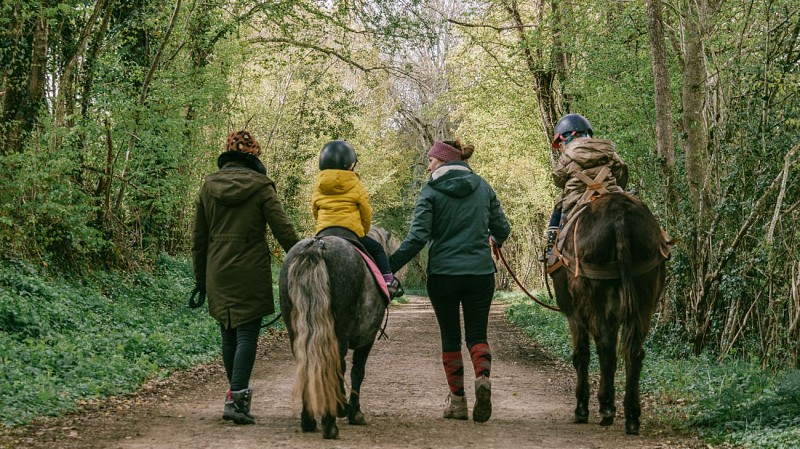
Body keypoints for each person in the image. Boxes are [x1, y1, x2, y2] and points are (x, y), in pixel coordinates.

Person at [389, 139, 511, 423]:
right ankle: (482, 377)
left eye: (431, 160)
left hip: (443, 275)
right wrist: (494, 239)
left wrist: (388, 266)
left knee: (450, 337)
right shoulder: (482, 186)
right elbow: (502, 228)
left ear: (443, 160)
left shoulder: (431, 190)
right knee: (477, 336)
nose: (428, 166)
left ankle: (457, 403)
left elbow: (417, 238)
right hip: (480, 274)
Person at [191, 130, 300, 425]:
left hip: (217, 270)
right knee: (247, 334)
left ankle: (235, 396)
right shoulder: (262, 187)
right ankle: (236, 400)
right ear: (254, 157)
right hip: (250, 270)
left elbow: (198, 239)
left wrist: (200, 280)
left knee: (228, 333)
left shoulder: (207, 187)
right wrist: (304, 256)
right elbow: (283, 230)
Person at [311, 140, 400, 296]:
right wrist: (362, 231)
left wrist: (323, 226)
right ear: (349, 165)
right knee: (378, 249)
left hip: (323, 233)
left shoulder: (319, 185)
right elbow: (366, 212)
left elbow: (315, 210)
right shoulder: (356, 184)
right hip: (351, 233)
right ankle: (388, 280)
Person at [542, 114, 628, 261]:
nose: (560, 147)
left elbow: (558, 179)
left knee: (558, 207)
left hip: (576, 201)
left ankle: (551, 249)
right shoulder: (607, 150)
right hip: (611, 194)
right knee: (634, 204)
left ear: (566, 137)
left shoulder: (566, 156)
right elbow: (621, 171)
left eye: (560, 142)